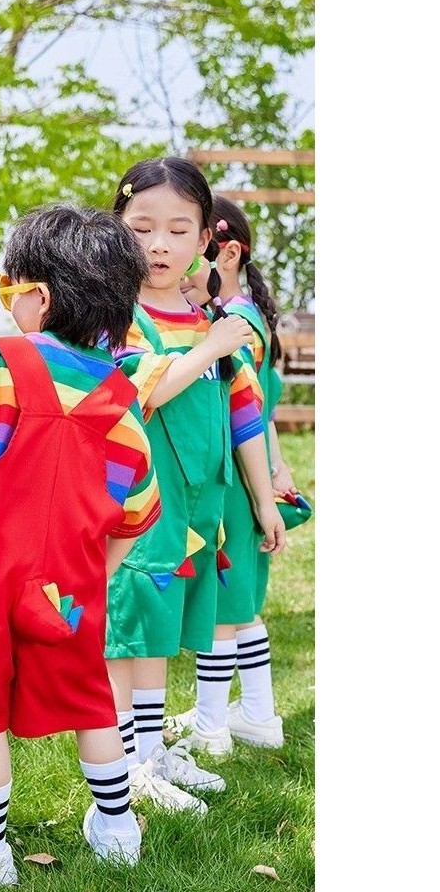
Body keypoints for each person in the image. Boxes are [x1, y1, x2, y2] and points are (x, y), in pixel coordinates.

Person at [0, 205, 161, 884]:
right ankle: (117, 828)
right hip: (70, 580)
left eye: (7, 288)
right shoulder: (120, 400)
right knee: (89, 695)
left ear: (38, 298)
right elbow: (137, 512)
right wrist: (93, 571)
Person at [105, 158, 287, 814]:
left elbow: (246, 416)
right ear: (116, 230)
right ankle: (121, 764)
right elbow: (140, 392)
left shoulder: (210, 319)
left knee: (159, 633)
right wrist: (210, 346)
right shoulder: (115, 318)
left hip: (198, 509)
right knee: (128, 630)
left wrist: (263, 500)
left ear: (205, 239)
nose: (159, 245)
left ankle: (150, 751)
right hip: (137, 508)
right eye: (141, 227)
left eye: (179, 230)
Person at [169, 195, 298, 751]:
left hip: (236, 483)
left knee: (223, 606)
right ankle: (258, 715)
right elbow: (263, 411)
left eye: (193, 250)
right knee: (242, 603)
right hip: (253, 479)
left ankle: (211, 727)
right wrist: (277, 464)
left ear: (225, 253)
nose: (179, 270)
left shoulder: (232, 323)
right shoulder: (251, 316)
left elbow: (245, 411)